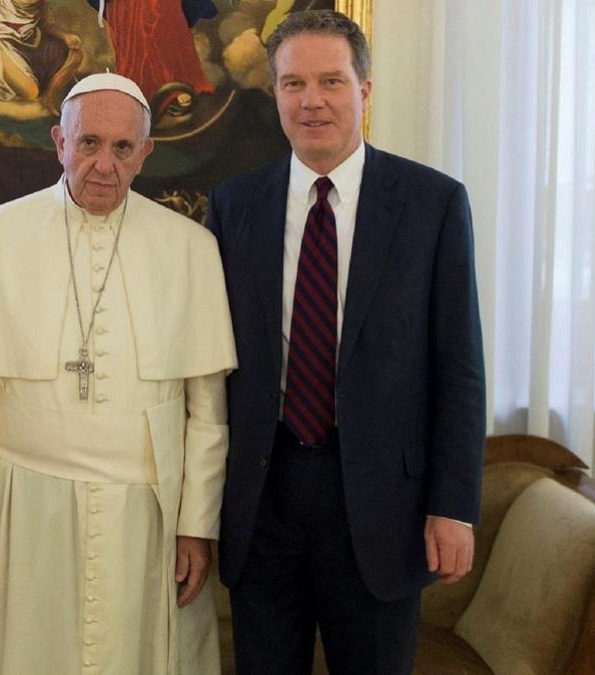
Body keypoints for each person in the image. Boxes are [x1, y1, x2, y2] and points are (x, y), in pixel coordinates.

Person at [206, 10, 486, 674]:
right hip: (263, 496)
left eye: (331, 80)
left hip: (382, 504)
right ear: (273, 94)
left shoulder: (432, 203)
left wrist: (453, 504)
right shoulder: (234, 205)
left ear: (365, 90)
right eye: (292, 83)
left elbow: (459, 366)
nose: (312, 101)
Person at [0, 72, 237, 674]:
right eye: (89, 143)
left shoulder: (190, 247)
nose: (104, 165)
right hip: (25, 506)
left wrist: (196, 526)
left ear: (146, 152)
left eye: (123, 148)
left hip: (147, 512)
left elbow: (208, 411)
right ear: (59, 142)